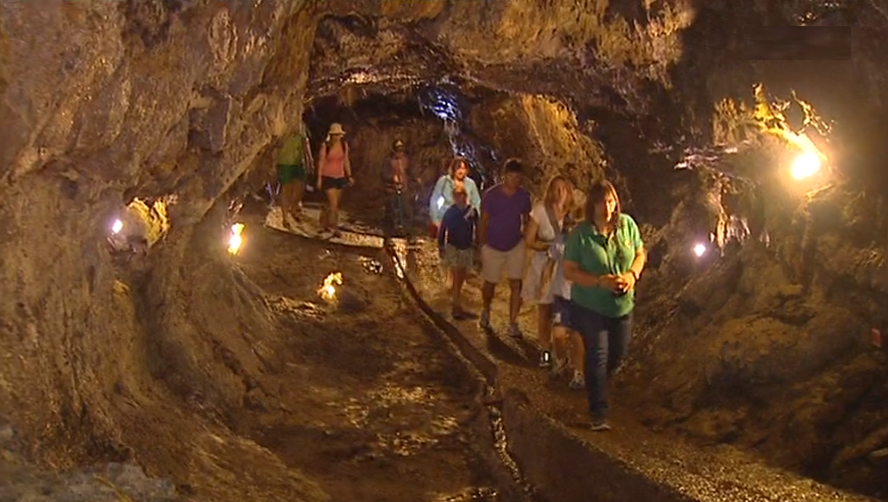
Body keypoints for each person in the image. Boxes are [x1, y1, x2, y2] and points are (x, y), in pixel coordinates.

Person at [564, 180, 646, 431]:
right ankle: (598, 412)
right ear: (592, 205)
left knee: (616, 354)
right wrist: (599, 282)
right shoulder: (581, 234)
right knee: (597, 355)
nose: (607, 208)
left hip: (621, 307)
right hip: (590, 306)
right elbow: (569, 271)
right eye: (601, 203)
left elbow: (641, 253)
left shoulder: (627, 226)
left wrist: (632, 275)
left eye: (610, 201)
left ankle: (596, 382)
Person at [522, 175, 574, 367]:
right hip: (544, 265)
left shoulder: (573, 214)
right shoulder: (540, 211)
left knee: (562, 310)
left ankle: (562, 353)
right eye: (557, 188)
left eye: (564, 189)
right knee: (544, 310)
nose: (560, 193)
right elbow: (529, 240)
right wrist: (548, 247)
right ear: (550, 190)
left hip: (565, 268)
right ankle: (545, 352)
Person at [478, 158, 532, 337]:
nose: (514, 180)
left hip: (515, 244)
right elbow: (484, 220)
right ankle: (486, 309)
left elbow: (527, 217)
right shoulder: (491, 195)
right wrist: (482, 244)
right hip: (493, 245)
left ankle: (513, 322)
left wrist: (527, 236)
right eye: (511, 176)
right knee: (490, 283)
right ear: (504, 176)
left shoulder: (523, 196)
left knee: (516, 283)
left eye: (517, 177)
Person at [545, 192, 586, 390]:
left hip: (580, 297)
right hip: (562, 294)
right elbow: (551, 259)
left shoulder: (588, 243)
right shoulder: (560, 240)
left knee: (577, 336)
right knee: (559, 334)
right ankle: (561, 361)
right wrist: (545, 279)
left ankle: (579, 373)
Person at [437, 185, 477, 320]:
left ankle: (455, 295)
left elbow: (476, 228)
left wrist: (477, 245)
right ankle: (456, 303)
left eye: (461, 195)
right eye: (457, 195)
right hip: (453, 246)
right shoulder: (450, 212)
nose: (459, 198)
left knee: (461, 274)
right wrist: (441, 245)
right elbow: (443, 228)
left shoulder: (472, 212)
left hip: (466, 246)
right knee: (456, 271)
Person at [316, 123, 353, 237]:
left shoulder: (344, 145)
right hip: (328, 177)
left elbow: (346, 160)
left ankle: (323, 223)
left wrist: (349, 175)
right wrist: (319, 178)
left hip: (340, 177)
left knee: (332, 204)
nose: (337, 137)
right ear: (331, 135)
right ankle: (334, 227)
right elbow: (321, 162)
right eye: (335, 135)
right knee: (333, 204)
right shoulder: (325, 146)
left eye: (339, 135)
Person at [429, 156, 481, 238]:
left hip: (464, 222)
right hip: (446, 219)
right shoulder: (444, 181)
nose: (461, 171)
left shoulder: (470, 184)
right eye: (458, 168)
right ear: (453, 169)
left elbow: (477, 202)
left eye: (463, 168)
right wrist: (435, 220)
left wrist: (478, 221)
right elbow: (434, 200)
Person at [274, 127, 312, 228]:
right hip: (284, 162)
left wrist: (309, 159)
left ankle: (294, 207)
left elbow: (305, 142)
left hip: (297, 162)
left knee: (300, 187)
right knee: (287, 189)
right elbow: (275, 143)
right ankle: (285, 218)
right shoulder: (283, 124)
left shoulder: (300, 125)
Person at [382, 139, 417, 234]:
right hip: (392, 189)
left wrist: (415, 179)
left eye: (401, 150)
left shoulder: (405, 160)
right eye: (398, 150)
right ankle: (392, 231)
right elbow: (384, 174)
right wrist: (392, 178)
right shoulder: (388, 161)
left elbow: (410, 172)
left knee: (407, 210)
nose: (400, 153)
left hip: (404, 188)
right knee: (393, 211)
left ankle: (407, 230)